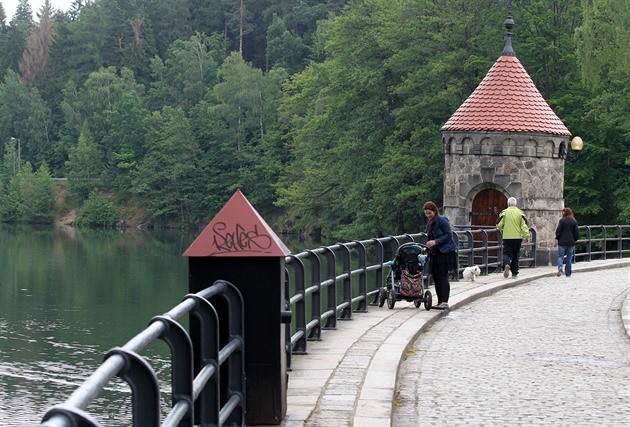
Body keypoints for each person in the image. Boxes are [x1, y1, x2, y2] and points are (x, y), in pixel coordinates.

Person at [423, 201, 457, 309]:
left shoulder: (442, 220)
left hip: (445, 252)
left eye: (430, 213)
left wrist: (436, 242)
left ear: (434, 211)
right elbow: (430, 238)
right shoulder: (430, 222)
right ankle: (439, 301)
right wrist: (427, 248)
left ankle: (445, 302)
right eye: (426, 214)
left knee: (443, 276)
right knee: (436, 277)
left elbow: (448, 235)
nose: (428, 216)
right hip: (435, 253)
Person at [497, 197, 530, 279]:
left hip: (507, 237)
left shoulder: (504, 213)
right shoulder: (520, 213)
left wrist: (502, 228)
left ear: (508, 204)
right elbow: (524, 226)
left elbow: (499, 225)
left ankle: (507, 264)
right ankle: (514, 273)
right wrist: (527, 236)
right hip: (517, 237)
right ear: (516, 204)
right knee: (515, 255)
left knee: (506, 253)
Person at [555, 207, 579, 277]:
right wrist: (575, 239)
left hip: (562, 242)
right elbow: (576, 233)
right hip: (571, 242)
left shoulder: (562, 221)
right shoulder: (574, 221)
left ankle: (560, 267)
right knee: (569, 258)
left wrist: (557, 237)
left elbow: (558, 231)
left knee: (560, 256)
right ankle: (568, 273)